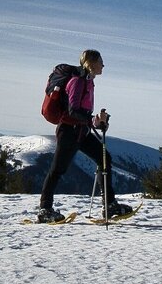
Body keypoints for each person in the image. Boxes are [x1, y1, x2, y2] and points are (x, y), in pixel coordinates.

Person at [37, 49, 133, 222]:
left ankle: (109, 205)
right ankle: (45, 210)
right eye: (100, 61)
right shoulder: (77, 81)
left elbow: (81, 112)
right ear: (91, 63)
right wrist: (92, 120)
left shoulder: (88, 82)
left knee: (105, 159)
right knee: (57, 170)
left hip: (81, 131)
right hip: (69, 131)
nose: (103, 65)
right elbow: (73, 110)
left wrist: (96, 121)